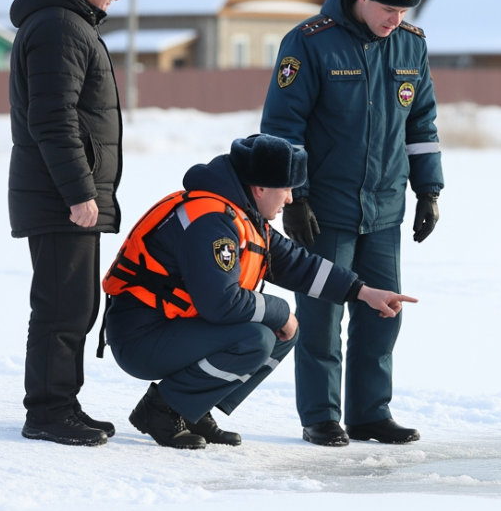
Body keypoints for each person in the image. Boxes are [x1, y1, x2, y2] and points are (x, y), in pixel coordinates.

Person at [100, 134, 416, 448]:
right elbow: (222, 304)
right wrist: (281, 310)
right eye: (287, 189)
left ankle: (192, 409)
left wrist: (362, 292)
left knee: (280, 333)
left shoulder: (243, 215)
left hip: (171, 328)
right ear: (261, 188)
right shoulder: (211, 221)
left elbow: (298, 265)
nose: (290, 199)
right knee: (257, 338)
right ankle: (162, 410)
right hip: (141, 338)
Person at [261, 0, 444, 447]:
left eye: (403, 12)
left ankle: (369, 413)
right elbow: (283, 127)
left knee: (384, 313)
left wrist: (428, 189)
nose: (395, 18)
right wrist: (294, 196)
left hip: (384, 206)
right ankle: (320, 416)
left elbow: (421, 125)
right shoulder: (310, 42)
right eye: (387, 7)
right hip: (324, 210)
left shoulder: (410, 46)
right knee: (321, 316)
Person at [8, 0, 126, 446]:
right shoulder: (60, 27)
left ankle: (63, 403)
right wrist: (81, 193)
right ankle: (49, 411)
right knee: (62, 306)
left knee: (75, 304)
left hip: (67, 192)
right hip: (62, 196)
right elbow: (52, 120)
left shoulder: (67, 22)